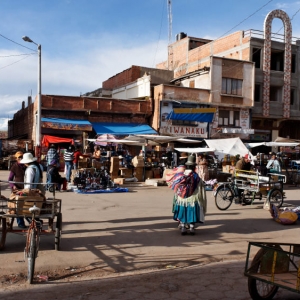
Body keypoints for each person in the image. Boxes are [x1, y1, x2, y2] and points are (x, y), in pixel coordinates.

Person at [166, 154, 207, 235]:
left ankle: (183, 227)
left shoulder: (180, 175)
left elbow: (176, 186)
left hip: (181, 199)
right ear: (193, 167)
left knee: (182, 212)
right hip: (193, 199)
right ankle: (191, 228)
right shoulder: (196, 176)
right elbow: (200, 188)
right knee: (191, 213)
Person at [8, 151, 27, 229]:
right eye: (19, 157)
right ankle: (20, 223)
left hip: (26, 189)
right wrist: (13, 186)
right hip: (17, 189)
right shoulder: (14, 166)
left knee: (27, 205)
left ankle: (30, 219)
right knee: (18, 206)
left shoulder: (26, 166)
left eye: (21, 157)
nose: (20, 159)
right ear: (16, 158)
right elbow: (10, 179)